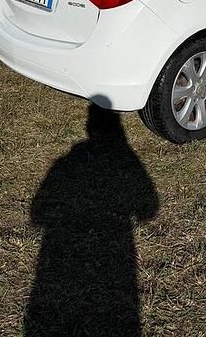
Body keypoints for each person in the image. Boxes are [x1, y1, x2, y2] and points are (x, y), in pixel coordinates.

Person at [24, 100, 159, 337]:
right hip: (114, 256)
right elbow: (149, 208)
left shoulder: (65, 162)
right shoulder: (124, 159)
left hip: (61, 261)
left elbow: (37, 213)